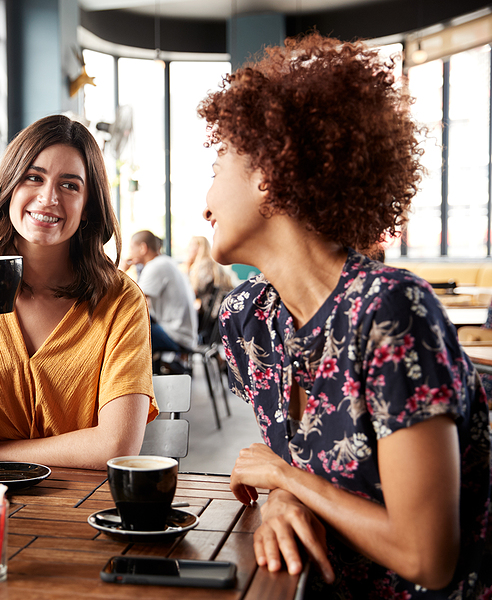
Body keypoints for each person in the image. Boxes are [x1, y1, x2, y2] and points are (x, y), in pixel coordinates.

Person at [197, 34, 491, 597]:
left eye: (217, 167)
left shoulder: (390, 313)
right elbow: (305, 471)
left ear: (267, 174)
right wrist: (283, 495)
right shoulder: (247, 321)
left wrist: (284, 479)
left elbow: (427, 558)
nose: (204, 203)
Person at [0, 114, 156, 470]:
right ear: (9, 188)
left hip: (84, 507)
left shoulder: (120, 299)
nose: (48, 197)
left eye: (70, 185)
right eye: (33, 178)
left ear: (87, 207)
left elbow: (116, 447)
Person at [125, 230, 197, 373]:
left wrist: (121, 269)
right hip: (183, 332)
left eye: (132, 247)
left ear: (143, 248)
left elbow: (131, 303)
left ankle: (138, 385)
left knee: (127, 334)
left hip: (176, 335)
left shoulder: (155, 266)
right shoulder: (166, 262)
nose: (129, 252)